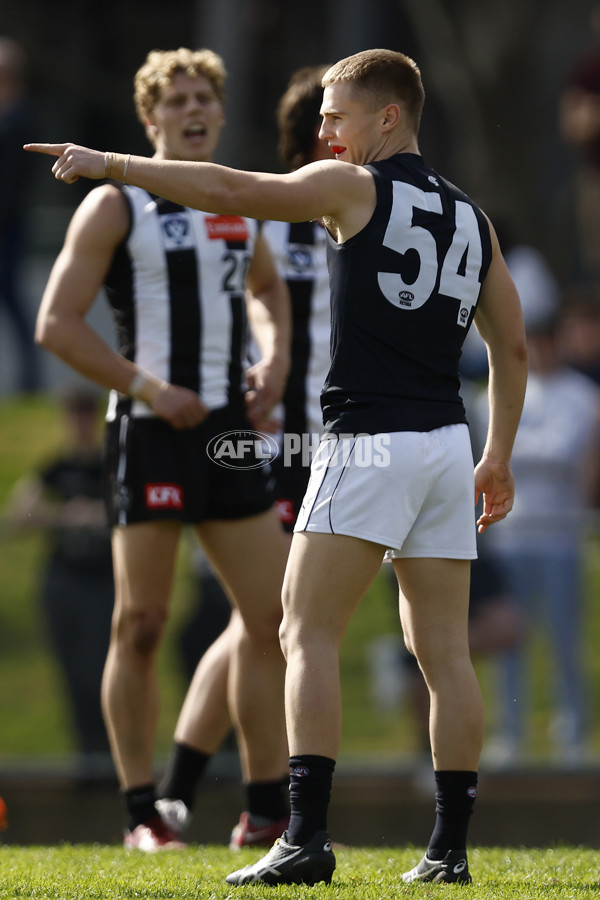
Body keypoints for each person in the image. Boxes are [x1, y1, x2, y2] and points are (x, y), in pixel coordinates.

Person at [26, 46, 528, 886]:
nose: (323, 128)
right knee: (444, 652)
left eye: (336, 113)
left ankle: (303, 835)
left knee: (304, 631)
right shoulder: (472, 216)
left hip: (367, 440)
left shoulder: (354, 187)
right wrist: (497, 453)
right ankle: (448, 851)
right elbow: (509, 344)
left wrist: (112, 162)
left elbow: (232, 191)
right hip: (446, 443)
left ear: (388, 118)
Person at [30, 47, 293, 852]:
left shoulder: (237, 204)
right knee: (141, 623)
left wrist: (275, 360)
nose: (192, 109)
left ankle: (267, 810)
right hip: (148, 430)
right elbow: (56, 326)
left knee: (272, 619)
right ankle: (142, 812)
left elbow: (270, 294)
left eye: (203, 96)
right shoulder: (117, 205)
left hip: (228, 435)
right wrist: (150, 388)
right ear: (150, 121)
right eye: (175, 100)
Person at [156, 64, 334, 850]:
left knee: (259, 622)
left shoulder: (345, 212)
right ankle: (208, 800)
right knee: (269, 620)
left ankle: (177, 796)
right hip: (274, 448)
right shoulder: (292, 211)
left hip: (323, 447)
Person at [475, 308, 600, 764]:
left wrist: (511, 454)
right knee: (510, 640)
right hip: (509, 536)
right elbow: (493, 452)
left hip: (560, 536)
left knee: (566, 639)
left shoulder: (582, 395)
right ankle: (510, 733)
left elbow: (565, 451)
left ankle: (573, 733)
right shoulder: (498, 394)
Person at [1, 386, 114, 779]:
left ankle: (109, 757)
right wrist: (67, 515)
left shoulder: (109, 466)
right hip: (64, 579)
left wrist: (95, 516)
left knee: (102, 667)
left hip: (102, 581)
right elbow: (21, 514)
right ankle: (87, 756)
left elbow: (127, 509)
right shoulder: (56, 468)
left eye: (86, 415)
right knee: (73, 672)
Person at [0, 36, 40, 393]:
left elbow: (12, 183)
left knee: (12, 299)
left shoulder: (21, 118)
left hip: (8, 228)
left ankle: (30, 378)